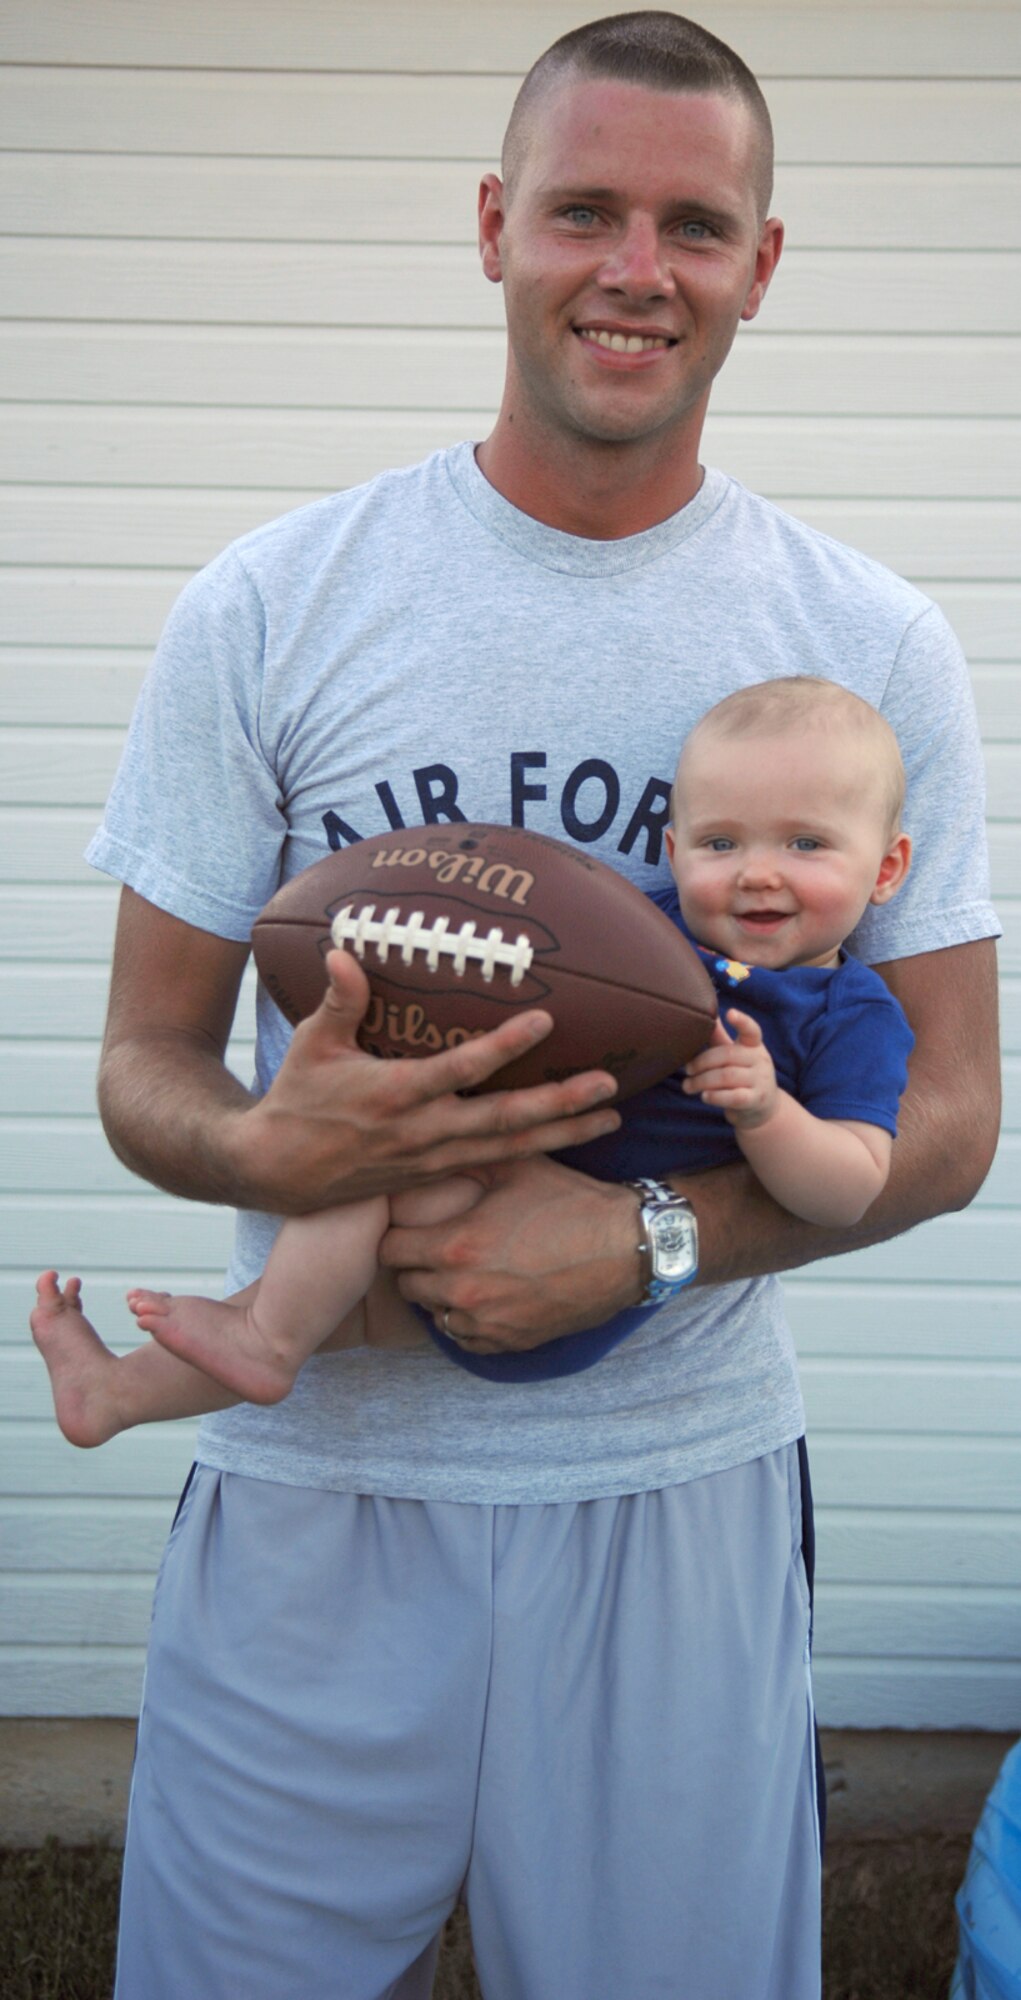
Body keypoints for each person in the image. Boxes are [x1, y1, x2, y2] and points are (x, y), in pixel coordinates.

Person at [78, 12, 1000, 1999]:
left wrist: (649, 1237)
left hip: (667, 1489)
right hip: (320, 1478)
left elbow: (949, 1117)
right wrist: (266, 1142)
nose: (632, 268)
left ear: (763, 261)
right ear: (497, 226)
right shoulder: (278, 600)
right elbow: (142, 1063)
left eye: (691, 222)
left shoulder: (862, 647)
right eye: (583, 209)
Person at [33, 674, 916, 1425]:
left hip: (584, 1276)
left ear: (884, 868)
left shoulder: (848, 1012)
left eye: (805, 844)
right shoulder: (630, 933)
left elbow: (845, 1192)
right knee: (341, 1256)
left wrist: (766, 1113)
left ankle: (264, 1339)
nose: (757, 871)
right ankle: (113, 1394)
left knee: (348, 1223)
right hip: (469, 1217)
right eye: (722, 843)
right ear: (670, 850)